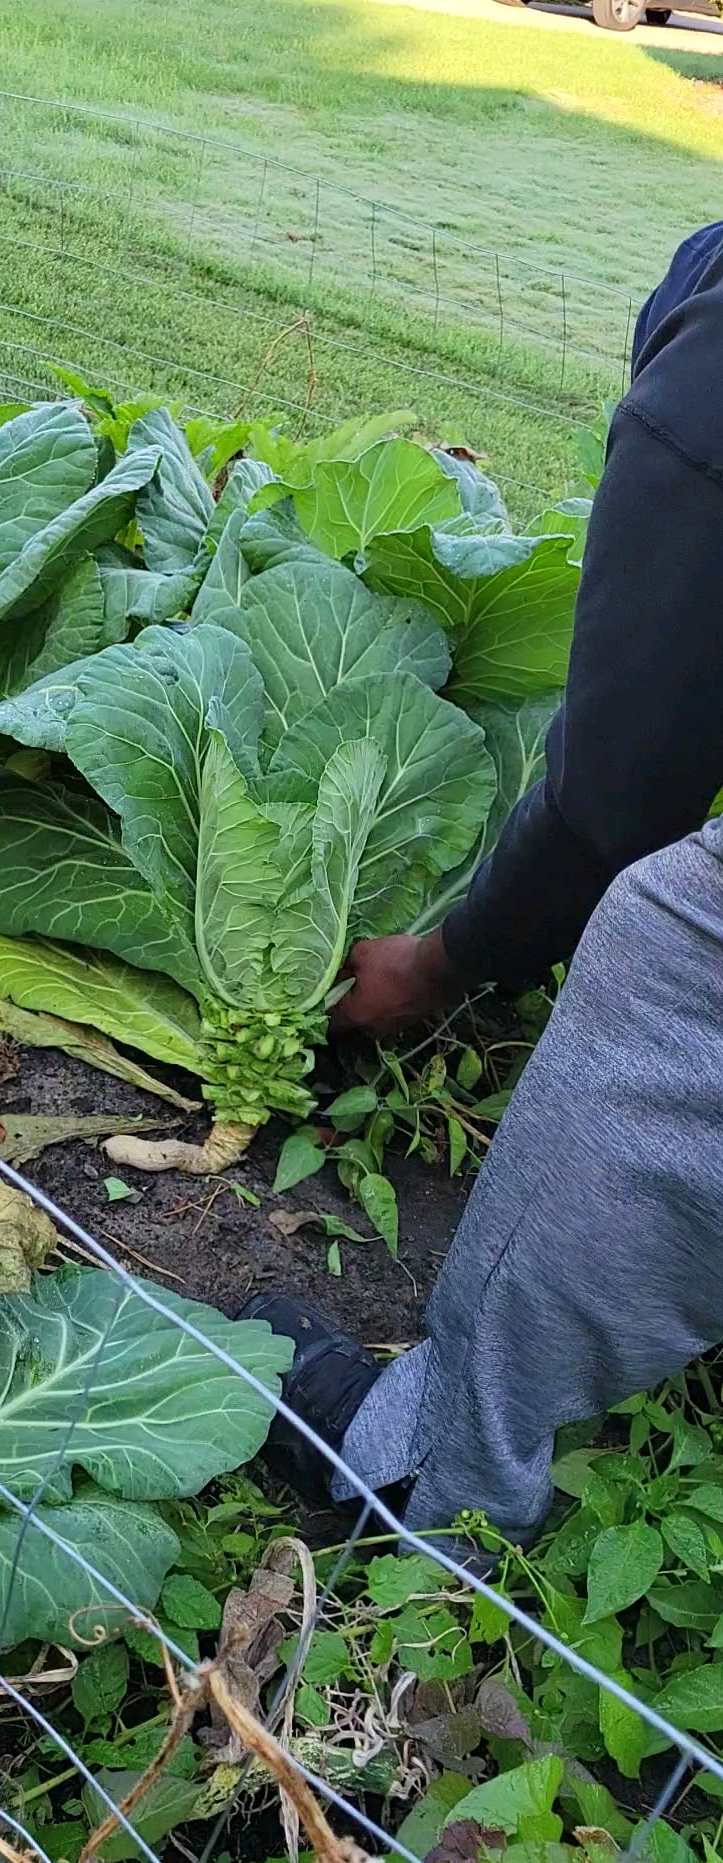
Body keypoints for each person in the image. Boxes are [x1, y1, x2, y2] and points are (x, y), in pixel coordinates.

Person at [241, 221, 723, 1548]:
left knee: (680, 939)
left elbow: (618, 805)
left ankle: (433, 1467)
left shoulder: (709, 388)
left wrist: (443, 962)